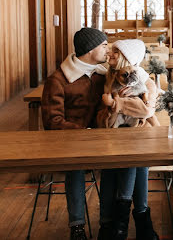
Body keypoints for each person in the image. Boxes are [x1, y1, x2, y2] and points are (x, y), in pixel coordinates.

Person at [41, 27, 109, 240]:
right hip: (69, 142)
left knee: (117, 164)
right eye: (104, 45)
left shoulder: (103, 75)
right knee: (76, 167)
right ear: (90, 50)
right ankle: (77, 226)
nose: (108, 49)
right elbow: (53, 121)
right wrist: (85, 133)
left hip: (102, 139)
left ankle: (108, 223)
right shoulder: (58, 80)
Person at [96, 39, 160, 240]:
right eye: (110, 51)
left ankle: (119, 224)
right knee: (124, 163)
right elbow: (104, 119)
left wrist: (117, 103)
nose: (109, 55)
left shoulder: (144, 81)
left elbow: (146, 109)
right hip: (112, 136)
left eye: (114, 52)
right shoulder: (107, 76)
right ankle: (138, 221)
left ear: (126, 59)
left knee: (134, 160)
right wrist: (114, 106)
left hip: (135, 139)